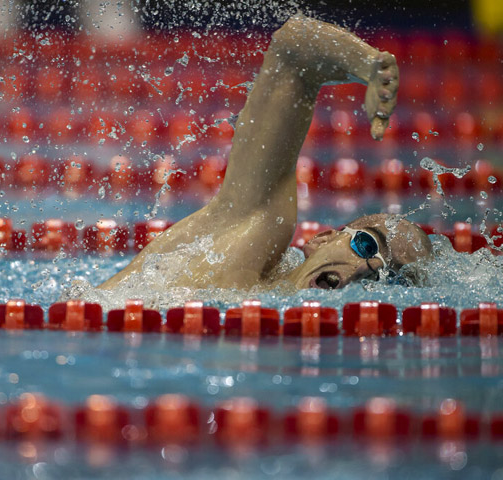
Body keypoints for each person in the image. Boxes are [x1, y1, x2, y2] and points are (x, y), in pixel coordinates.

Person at [99, 15, 433, 291]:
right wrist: (368, 65)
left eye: (388, 278)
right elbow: (294, 47)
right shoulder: (252, 236)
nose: (369, 267)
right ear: (321, 239)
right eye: (367, 245)